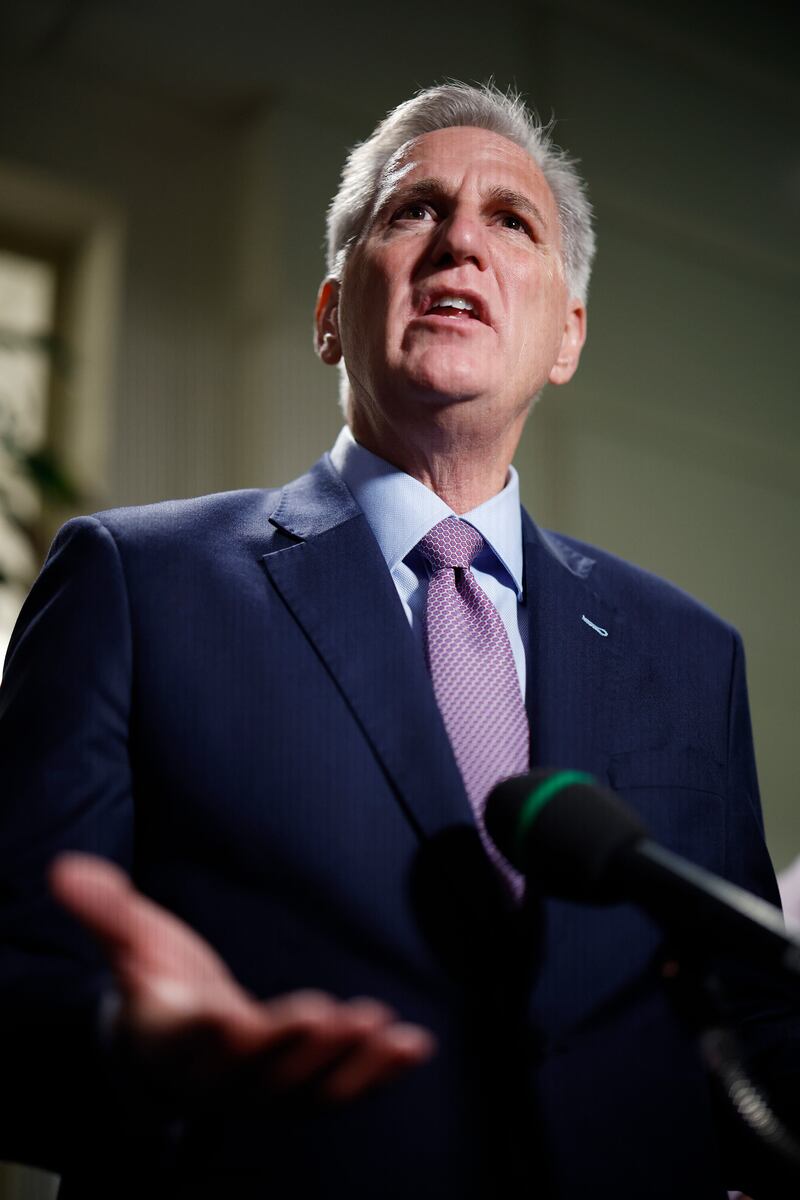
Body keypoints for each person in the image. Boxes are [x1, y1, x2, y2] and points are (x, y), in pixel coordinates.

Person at [0, 82, 795, 1200]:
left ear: (565, 334)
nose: (460, 239)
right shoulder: (134, 585)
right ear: (330, 313)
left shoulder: (687, 651)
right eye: (411, 210)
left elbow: (751, 1027)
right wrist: (135, 1056)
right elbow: (18, 975)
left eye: (510, 221)